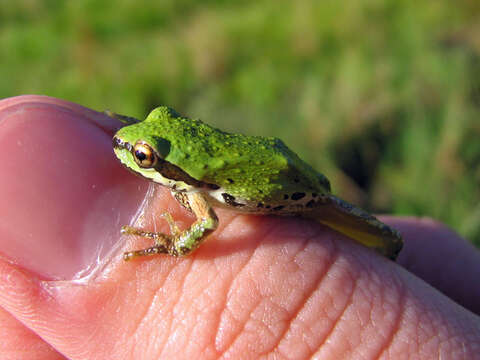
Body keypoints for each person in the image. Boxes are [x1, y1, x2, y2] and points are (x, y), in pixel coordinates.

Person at [0, 95, 479, 359]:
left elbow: (204, 223)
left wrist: (172, 244)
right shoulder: (185, 178)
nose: (129, 153)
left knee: (386, 238)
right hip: (243, 164)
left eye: (144, 157)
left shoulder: (196, 195)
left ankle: (385, 244)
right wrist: (143, 131)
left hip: (298, 188)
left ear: (170, 171)